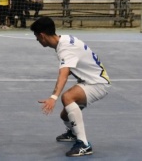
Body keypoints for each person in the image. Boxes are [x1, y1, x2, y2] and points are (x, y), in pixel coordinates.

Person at [30, 17, 111, 157]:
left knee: (67, 97)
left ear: (42, 35)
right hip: (91, 80)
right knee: (65, 115)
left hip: (97, 83)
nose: (37, 40)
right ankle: (73, 133)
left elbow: (64, 74)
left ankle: (84, 144)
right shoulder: (65, 39)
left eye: (37, 37)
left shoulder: (66, 49)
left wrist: (53, 97)